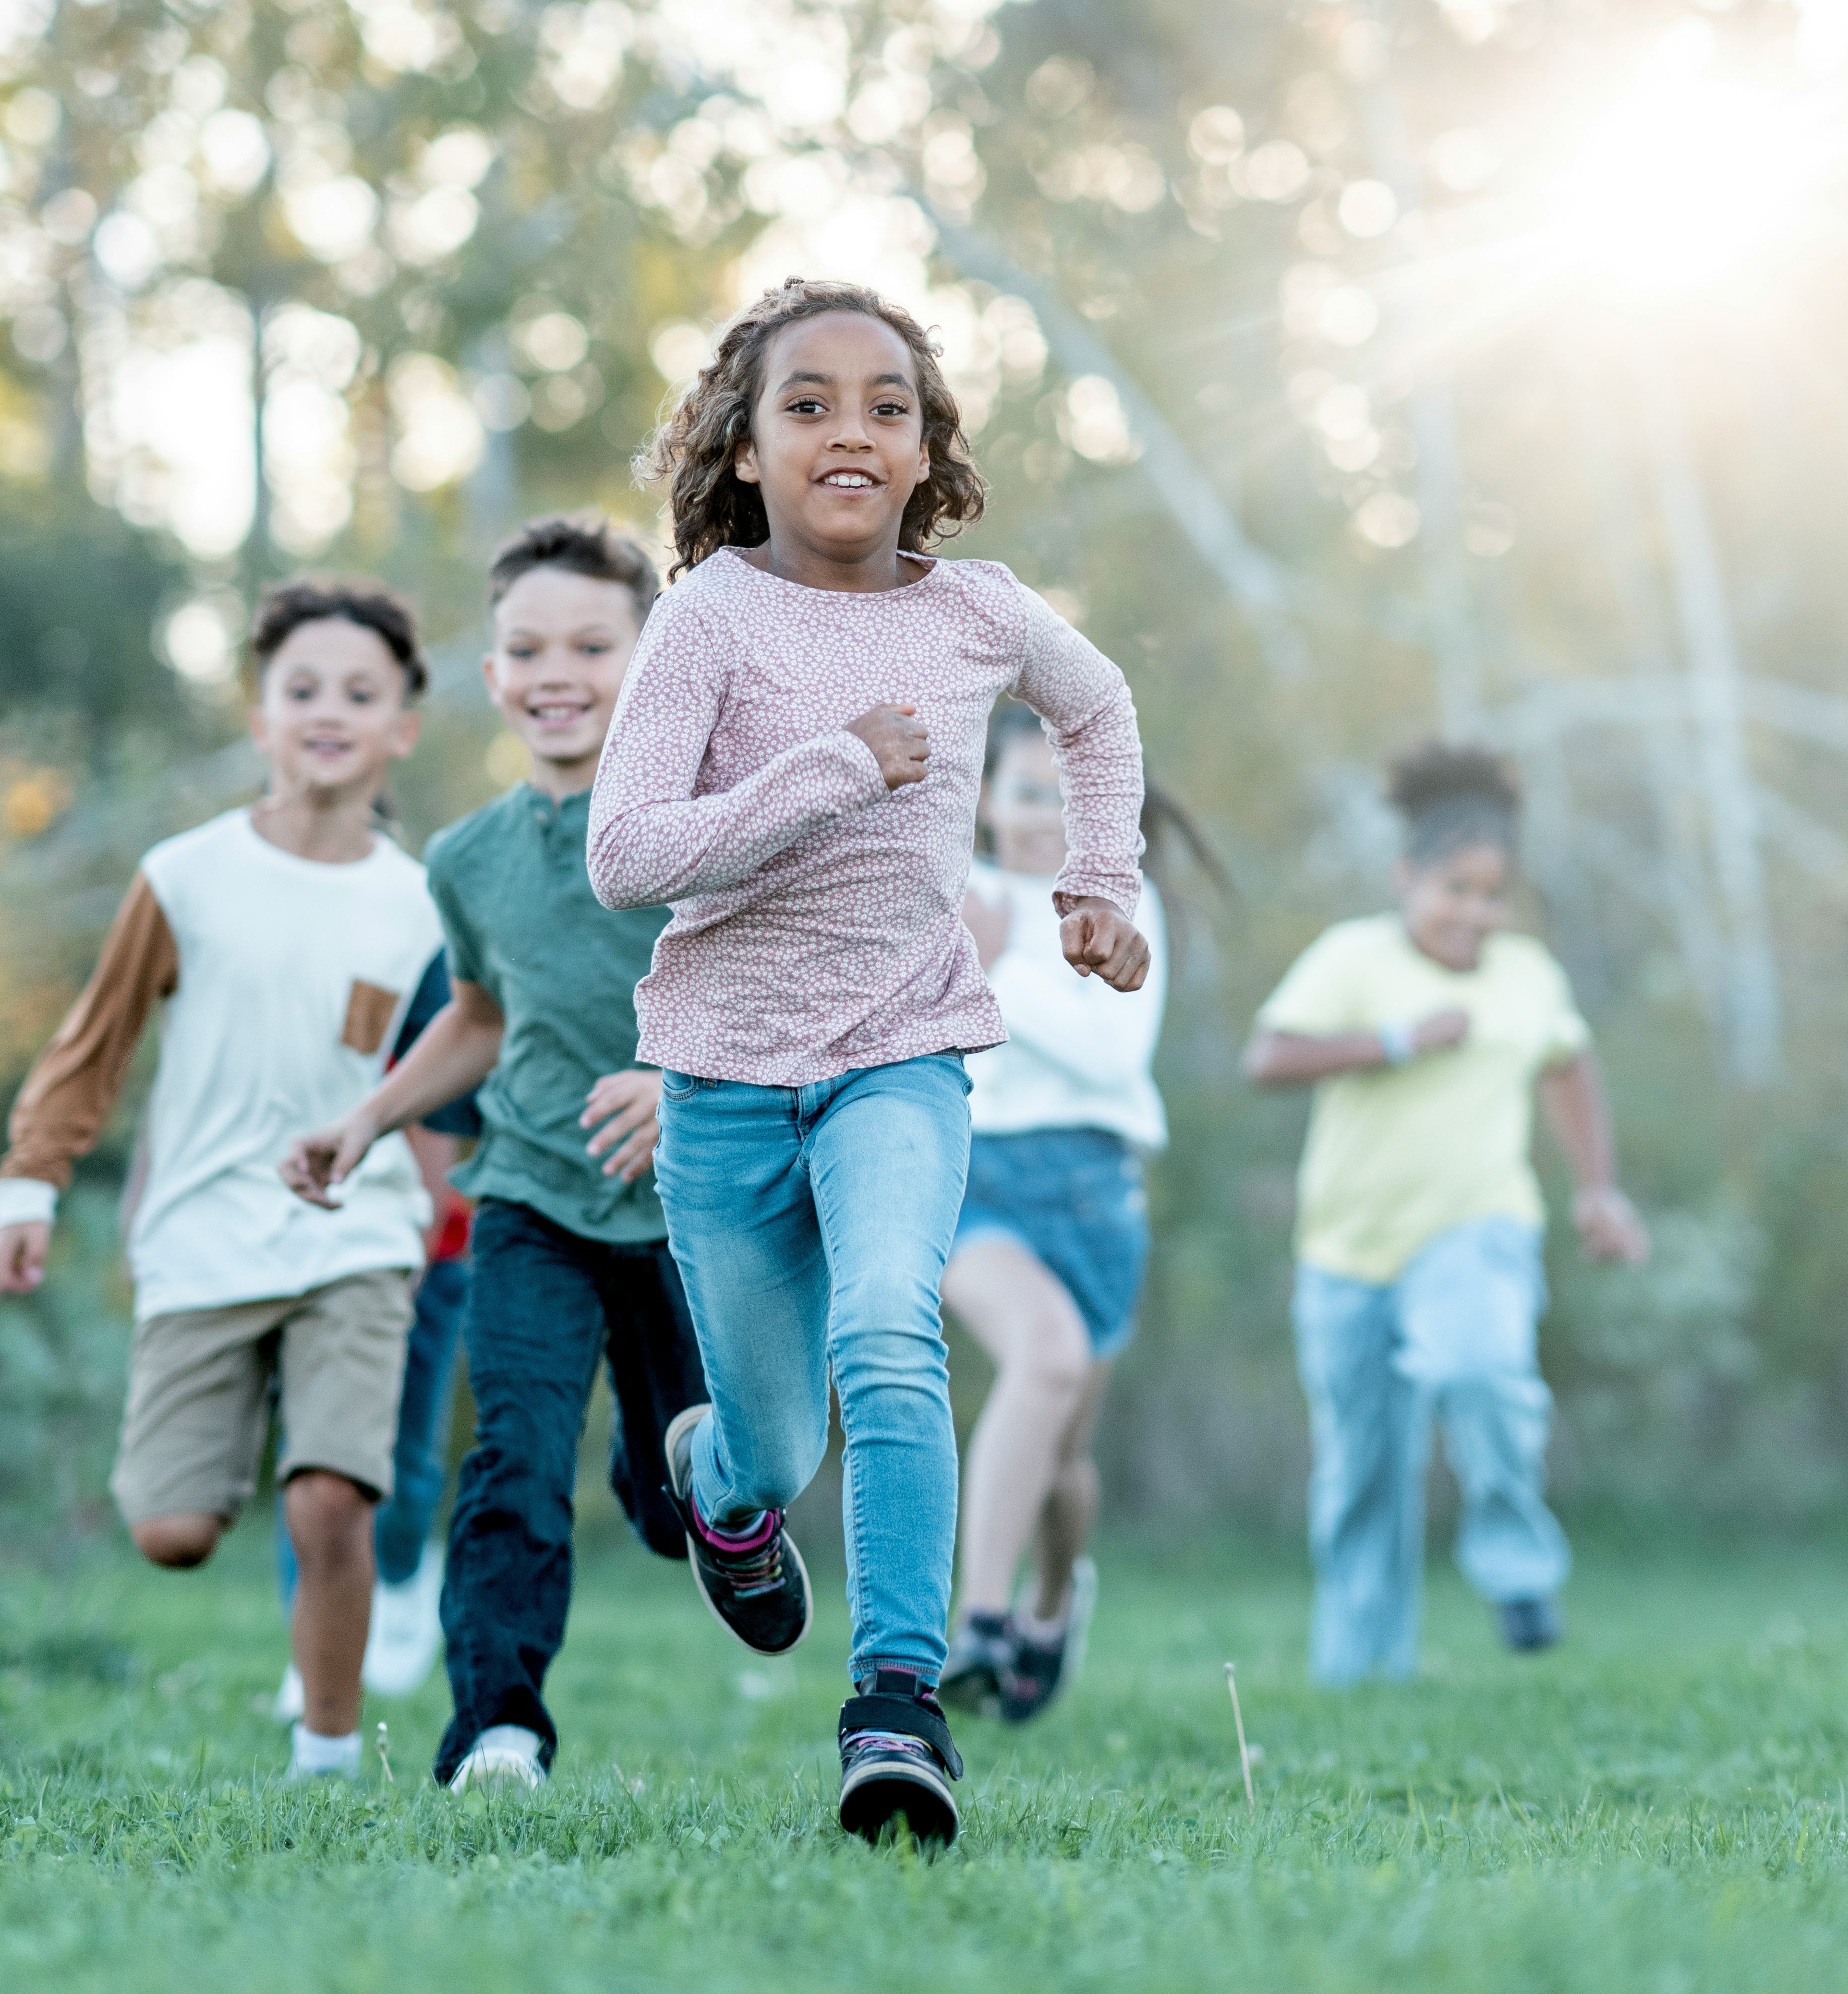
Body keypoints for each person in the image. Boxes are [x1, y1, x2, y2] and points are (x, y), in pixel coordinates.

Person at [588, 276, 1149, 1847]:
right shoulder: (706, 616)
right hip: (721, 1077)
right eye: (809, 404)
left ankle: (896, 1702)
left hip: (905, 1048)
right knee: (776, 1436)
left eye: (886, 407)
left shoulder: (978, 610)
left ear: (926, 451)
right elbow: (625, 853)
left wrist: (1095, 881)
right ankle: (716, 1480)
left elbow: (1097, 710)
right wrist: (834, 768)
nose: (851, 429)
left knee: (893, 1327)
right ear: (746, 450)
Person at [0, 578, 444, 1781]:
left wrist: (465, 1198)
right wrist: (30, 1185)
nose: (328, 711)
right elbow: (97, 1042)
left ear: (402, 724)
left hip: (359, 1230)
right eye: (302, 690)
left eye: (360, 692)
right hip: (201, 1236)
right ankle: (227, 1449)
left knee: (333, 1499)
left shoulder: (421, 903)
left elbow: (451, 1063)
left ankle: (328, 1754)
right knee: (174, 1532)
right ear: (259, 718)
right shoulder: (183, 876)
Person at [282, 514, 709, 1793]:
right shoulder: (468, 859)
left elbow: (784, 993)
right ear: (493, 675)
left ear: (654, 660)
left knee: (675, 1494)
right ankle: (500, 1728)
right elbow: (478, 1014)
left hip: (694, 1206)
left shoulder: (706, 828)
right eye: (529, 648)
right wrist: (367, 1119)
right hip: (531, 1191)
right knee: (513, 1454)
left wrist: (681, 1082)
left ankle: (696, 1485)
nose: (558, 673)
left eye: (593, 644)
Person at [1243, 744, 1649, 1686]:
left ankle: (1516, 1570)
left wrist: (1595, 1189)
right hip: (1345, 1252)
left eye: (1489, 893)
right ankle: (1360, 1672)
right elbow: (1265, 1057)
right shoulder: (1353, 957)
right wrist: (1392, 1040)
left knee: (1481, 1369)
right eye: (1452, 889)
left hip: (1476, 1228)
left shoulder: (1526, 975)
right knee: (1360, 1473)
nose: (1472, 912)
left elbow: (1568, 1063)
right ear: (1405, 878)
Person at [939, 703, 1182, 1724]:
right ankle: (979, 1624)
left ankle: (1050, 1599)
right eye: (1028, 791)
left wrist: (993, 974)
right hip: (971, 1179)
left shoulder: (1121, 907)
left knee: (1063, 1467)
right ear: (985, 798)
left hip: (1094, 1196)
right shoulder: (948, 896)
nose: (1046, 817)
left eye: (1073, 798)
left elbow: (1110, 1057)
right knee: (1040, 1356)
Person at [269, 960, 480, 1721]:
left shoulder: (409, 966)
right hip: (313, 1245)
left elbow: (436, 1114)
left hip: (425, 1250)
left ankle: (400, 1566)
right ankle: (310, 1649)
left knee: (404, 1457)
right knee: (315, 1456)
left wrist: (423, 1234)